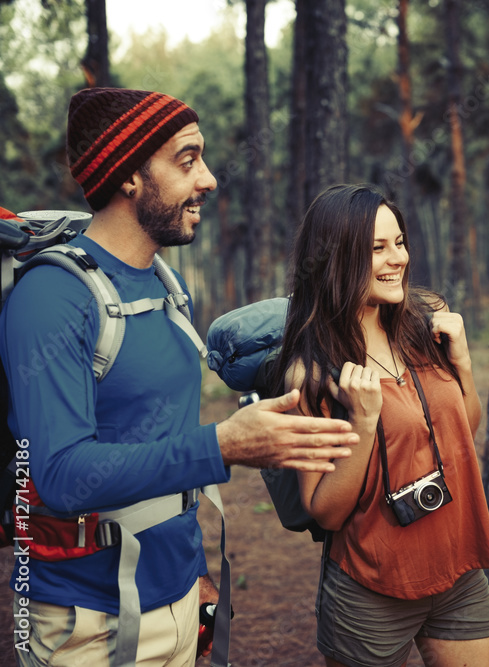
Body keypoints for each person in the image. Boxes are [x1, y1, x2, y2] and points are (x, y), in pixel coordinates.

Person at [1, 87, 359, 667]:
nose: (210, 180)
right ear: (129, 176)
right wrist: (226, 444)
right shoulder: (52, 298)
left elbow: (158, 448)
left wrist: (192, 578)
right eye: (187, 161)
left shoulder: (167, 288)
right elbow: (63, 477)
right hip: (86, 624)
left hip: (178, 599)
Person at [275, 183, 489, 667]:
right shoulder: (313, 373)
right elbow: (326, 512)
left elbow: (462, 432)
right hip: (370, 589)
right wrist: (363, 420)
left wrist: (462, 365)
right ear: (337, 258)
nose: (396, 258)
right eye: (377, 248)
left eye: (398, 242)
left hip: (458, 569)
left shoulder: (425, 324)